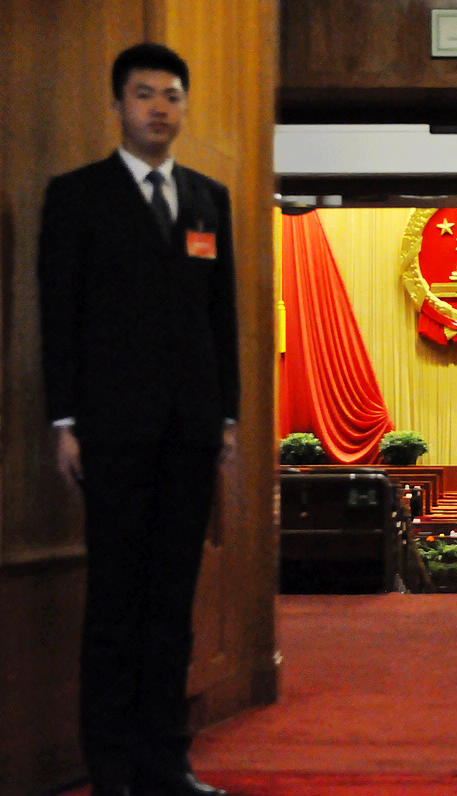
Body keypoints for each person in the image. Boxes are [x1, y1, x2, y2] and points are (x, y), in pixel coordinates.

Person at [38, 43, 239, 796]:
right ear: (118, 106)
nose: (161, 108)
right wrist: (64, 420)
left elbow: (221, 318)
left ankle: (167, 763)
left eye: (173, 95)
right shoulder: (77, 195)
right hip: (110, 433)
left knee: (172, 604)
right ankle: (112, 769)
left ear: (185, 108)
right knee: (117, 602)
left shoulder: (207, 197)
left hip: (190, 434)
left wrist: (226, 420)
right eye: (145, 94)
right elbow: (59, 317)